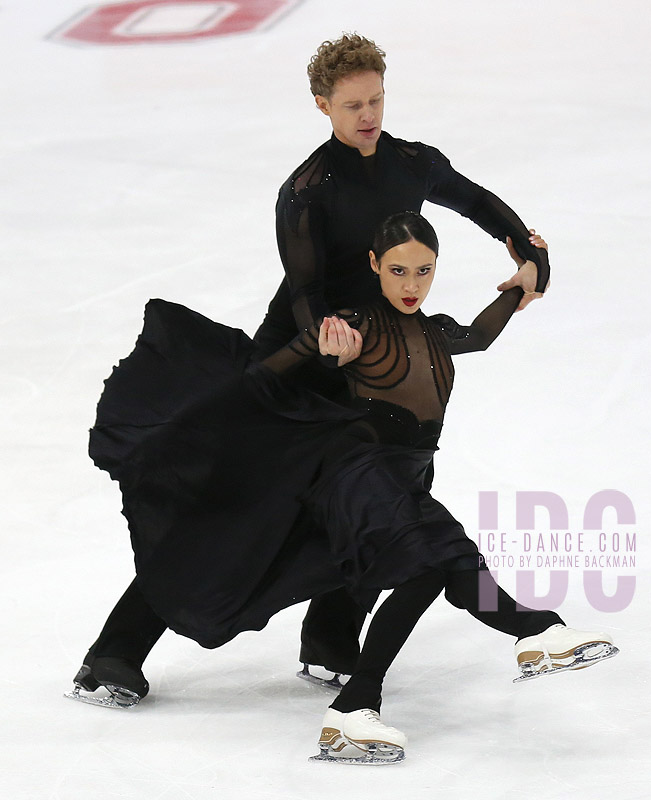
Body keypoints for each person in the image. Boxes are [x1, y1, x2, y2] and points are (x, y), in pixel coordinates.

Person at [68, 32, 555, 702]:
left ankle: (330, 634)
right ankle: (114, 650)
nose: (368, 115)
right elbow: (305, 293)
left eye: (376, 99)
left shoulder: (412, 162)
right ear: (322, 104)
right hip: (301, 358)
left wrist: (526, 252)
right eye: (352, 103)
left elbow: (478, 203)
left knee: (392, 487)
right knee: (232, 504)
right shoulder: (306, 189)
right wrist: (326, 345)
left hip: (374, 354)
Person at [69, 212, 617, 764]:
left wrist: (521, 285)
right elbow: (264, 378)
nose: (411, 285)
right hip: (357, 470)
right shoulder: (356, 323)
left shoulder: (434, 329)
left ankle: (529, 633)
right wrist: (323, 350)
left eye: (424, 271)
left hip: (403, 475)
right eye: (399, 270)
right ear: (375, 265)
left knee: (452, 562)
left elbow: (477, 335)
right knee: (428, 563)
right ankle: (381, 697)